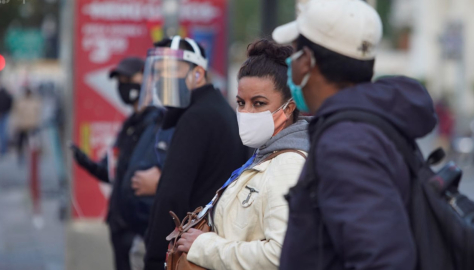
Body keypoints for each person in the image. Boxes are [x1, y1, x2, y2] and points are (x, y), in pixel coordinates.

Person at [272, 0, 437, 269]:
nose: (291, 62)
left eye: (295, 51)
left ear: (308, 61)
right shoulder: (364, 126)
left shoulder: (347, 144)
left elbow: (383, 259)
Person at [174, 39, 310, 270]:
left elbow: (284, 255)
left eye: (258, 103)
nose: (246, 112)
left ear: (289, 107)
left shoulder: (288, 164)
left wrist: (205, 246)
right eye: (241, 102)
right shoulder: (266, 155)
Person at [141, 36, 248, 270]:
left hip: (192, 252)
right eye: (157, 72)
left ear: (197, 74)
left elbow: (171, 197)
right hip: (213, 245)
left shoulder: (196, 118)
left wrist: (153, 259)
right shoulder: (217, 109)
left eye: (169, 70)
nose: (161, 79)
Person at [70, 57, 174, 270]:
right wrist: (86, 162)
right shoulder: (129, 124)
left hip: (140, 229)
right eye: (120, 80)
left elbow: (167, 174)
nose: (123, 84)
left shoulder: (160, 123)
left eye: (129, 78)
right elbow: (112, 173)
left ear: (147, 80)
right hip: (119, 226)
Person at [12, 87, 42, 164]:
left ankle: (32, 159)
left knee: (32, 144)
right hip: (23, 126)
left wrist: (37, 123)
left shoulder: (35, 101)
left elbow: (38, 113)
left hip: (32, 125)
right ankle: (21, 157)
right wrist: (16, 124)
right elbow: (16, 113)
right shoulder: (21, 101)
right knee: (20, 143)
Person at [0, 86, 13, 157]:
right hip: (3, 115)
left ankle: (3, 149)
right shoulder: (6, 95)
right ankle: (3, 149)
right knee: (3, 133)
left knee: (1, 133)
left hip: (0, 115)